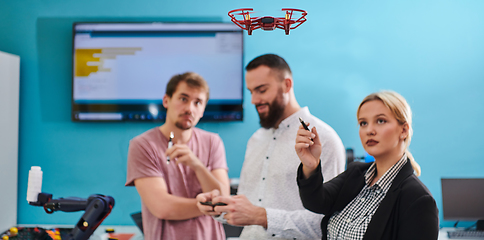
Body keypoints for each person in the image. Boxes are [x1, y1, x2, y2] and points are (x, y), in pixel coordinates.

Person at [197, 54, 346, 239]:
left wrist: (262, 216)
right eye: (251, 91)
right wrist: (219, 207)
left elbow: (329, 221)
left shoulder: (324, 140)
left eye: (261, 90)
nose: (254, 100)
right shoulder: (256, 140)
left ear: (287, 85)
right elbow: (247, 210)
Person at [295, 91, 439, 240]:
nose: (369, 130)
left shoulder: (419, 200)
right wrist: (311, 166)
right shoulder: (355, 173)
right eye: (363, 123)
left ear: (404, 130)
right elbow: (316, 202)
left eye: (381, 121)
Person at [125, 72, 230, 240]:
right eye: (183, 99)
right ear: (166, 100)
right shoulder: (143, 145)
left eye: (198, 102)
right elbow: (162, 207)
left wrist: (197, 165)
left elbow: (224, 200)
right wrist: (210, 205)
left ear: (203, 110)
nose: (190, 108)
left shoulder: (212, 142)